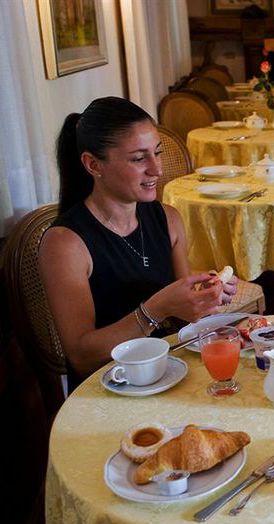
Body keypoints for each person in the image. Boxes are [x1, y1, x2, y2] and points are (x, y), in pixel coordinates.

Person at [40, 97, 237, 380]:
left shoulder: (168, 219)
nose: (157, 169)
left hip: (170, 372)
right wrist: (156, 309)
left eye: (157, 153)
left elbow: (183, 317)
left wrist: (204, 297)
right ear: (93, 165)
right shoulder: (65, 243)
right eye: (138, 158)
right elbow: (82, 358)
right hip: (111, 386)